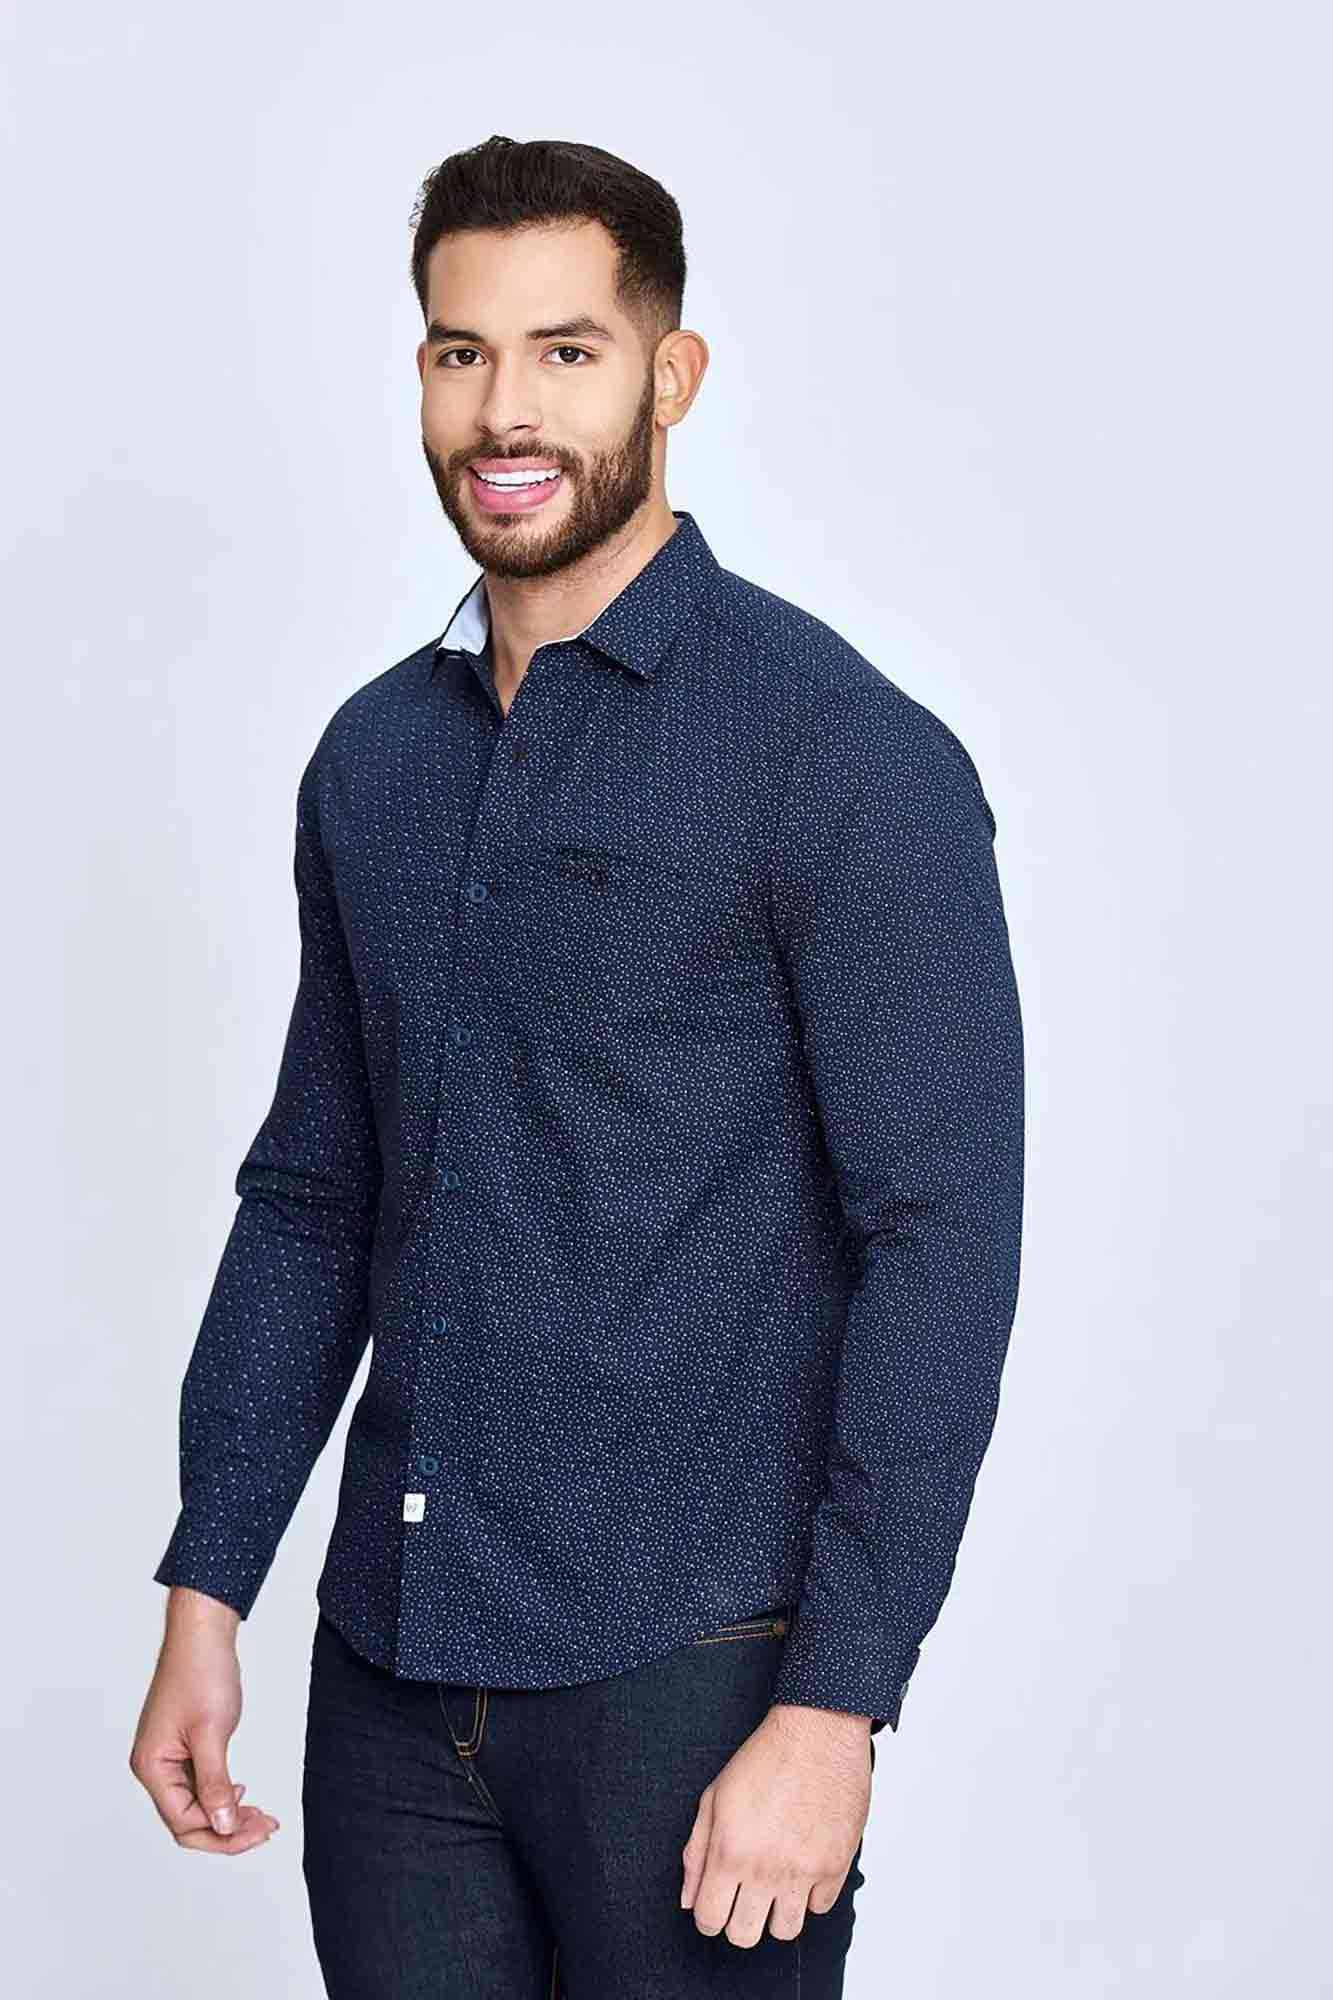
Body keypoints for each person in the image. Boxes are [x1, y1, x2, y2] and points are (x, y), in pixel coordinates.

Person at [130, 134, 1025, 1998]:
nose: (505, 412)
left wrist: (836, 1707)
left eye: (565, 351)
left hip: (692, 1681)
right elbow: (313, 1199)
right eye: (463, 353)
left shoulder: (841, 757)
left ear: (668, 375)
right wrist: (209, 1584)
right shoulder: (374, 759)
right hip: (388, 1676)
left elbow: (939, 1246)